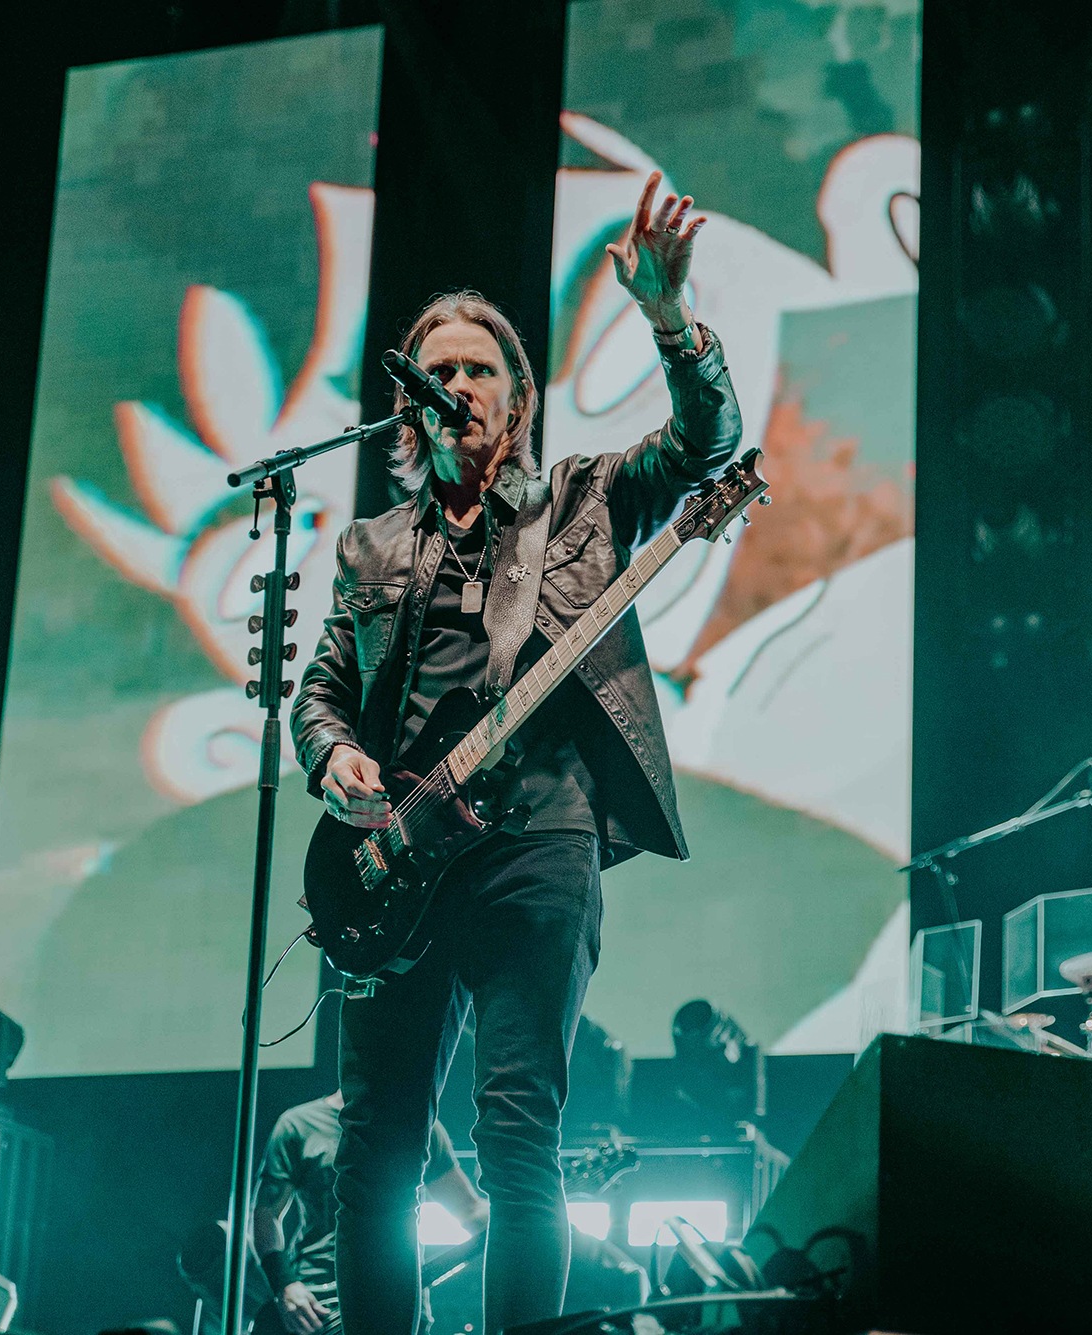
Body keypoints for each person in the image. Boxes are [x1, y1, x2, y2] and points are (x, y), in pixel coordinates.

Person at [290, 169, 742, 1334]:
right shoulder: (370, 546)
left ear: (516, 395)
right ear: (408, 404)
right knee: (374, 1152)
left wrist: (669, 320)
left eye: (477, 370)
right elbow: (322, 690)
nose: (455, 386)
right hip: (395, 862)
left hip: (536, 842)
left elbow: (706, 445)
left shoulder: (582, 501)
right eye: (435, 372)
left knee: (515, 1135)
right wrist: (332, 758)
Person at [251, 1091, 486, 1335]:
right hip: (320, 1306)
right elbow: (266, 1214)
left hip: (401, 1301)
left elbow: (469, 1210)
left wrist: (510, 1212)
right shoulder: (299, 1123)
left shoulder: (420, 1125)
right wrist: (284, 1283)